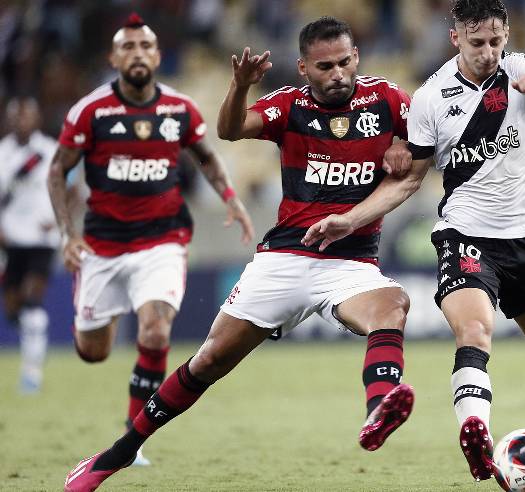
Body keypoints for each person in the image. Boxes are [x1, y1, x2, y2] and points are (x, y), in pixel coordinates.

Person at [64, 16, 415, 491]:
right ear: (304, 67)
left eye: (344, 62)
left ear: (356, 58)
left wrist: (402, 142)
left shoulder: (388, 98)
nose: (338, 74)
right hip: (287, 256)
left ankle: (379, 409)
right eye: (325, 66)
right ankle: (115, 456)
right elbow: (231, 130)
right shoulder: (289, 105)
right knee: (207, 362)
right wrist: (239, 86)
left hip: (351, 262)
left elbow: (431, 136)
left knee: (392, 305)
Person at [301, 0, 525, 487]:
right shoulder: (432, 97)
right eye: (477, 42)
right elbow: (408, 181)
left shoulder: (522, 68)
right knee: (475, 332)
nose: (489, 52)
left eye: (496, 41)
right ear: (456, 37)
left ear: (506, 35)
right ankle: (474, 430)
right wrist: (348, 220)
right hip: (466, 233)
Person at [49, 13, 254, 468]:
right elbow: (57, 171)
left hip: (163, 240)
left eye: (146, 46)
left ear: (158, 56)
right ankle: (98, 315)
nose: (138, 53)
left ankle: (132, 437)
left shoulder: (178, 109)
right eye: (128, 46)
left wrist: (231, 198)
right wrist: (68, 233)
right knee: (92, 351)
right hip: (102, 245)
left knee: (156, 329)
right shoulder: (91, 111)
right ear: (113, 57)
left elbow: (206, 156)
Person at [0, 97, 59, 393]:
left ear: (36, 119)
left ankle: (31, 372)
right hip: (10, 239)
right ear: (10, 119)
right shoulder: (2, 153)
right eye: (17, 116)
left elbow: (70, 188)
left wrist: (59, 219)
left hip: (41, 239)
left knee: (33, 301)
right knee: (13, 309)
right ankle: (33, 340)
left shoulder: (49, 151)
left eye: (27, 116)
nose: (22, 121)